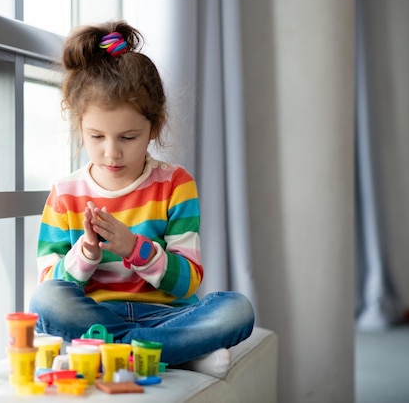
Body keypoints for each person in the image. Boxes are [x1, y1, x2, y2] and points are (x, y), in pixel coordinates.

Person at [28, 20, 254, 368]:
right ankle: (170, 353)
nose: (112, 153)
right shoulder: (65, 193)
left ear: (154, 127)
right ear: (80, 127)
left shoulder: (175, 184)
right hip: (96, 317)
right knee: (47, 299)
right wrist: (87, 251)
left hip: (165, 316)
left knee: (237, 309)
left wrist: (134, 248)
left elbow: (188, 281)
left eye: (128, 137)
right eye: (97, 137)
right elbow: (51, 284)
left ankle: (107, 354)